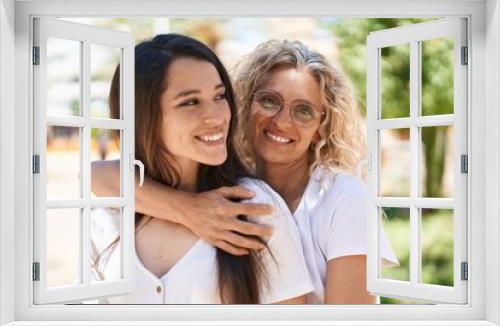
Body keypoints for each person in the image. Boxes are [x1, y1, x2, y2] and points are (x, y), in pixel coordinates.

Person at [92, 39, 397, 304]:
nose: (282, 121)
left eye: (303, 111)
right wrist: (189, 210)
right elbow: (96, 175)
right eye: (269, 100)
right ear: (245, 103)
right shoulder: (227, 187)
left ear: (321, 128)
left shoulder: (342, 198)